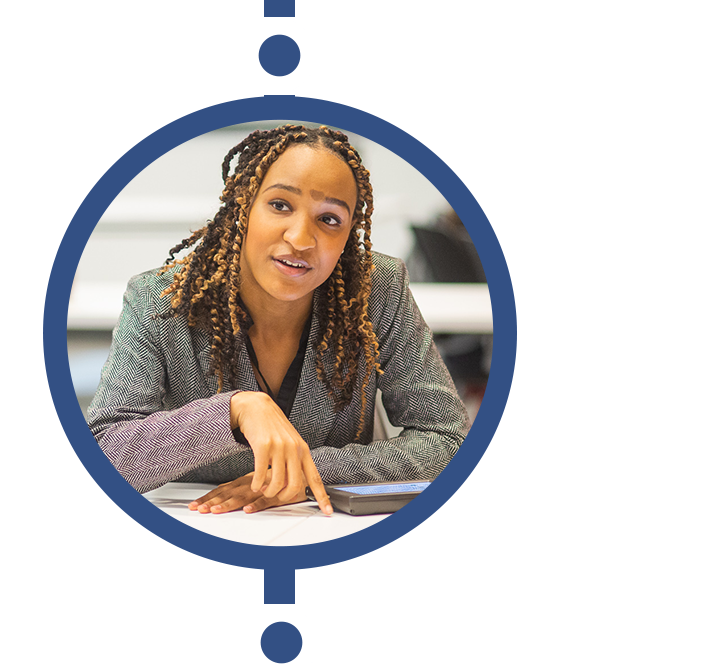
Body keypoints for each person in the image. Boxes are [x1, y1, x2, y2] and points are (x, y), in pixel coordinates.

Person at [87, 124, 467, 516]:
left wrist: (304, 473)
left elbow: (447, 441)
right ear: (243, 206)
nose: (301, 238)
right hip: (203, 524)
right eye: (280, 205)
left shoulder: (375, 291)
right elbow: (103, 456)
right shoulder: (160, 301)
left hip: (325, 527)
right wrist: (234, 411)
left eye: (330, 219)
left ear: (349, 234)